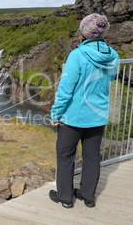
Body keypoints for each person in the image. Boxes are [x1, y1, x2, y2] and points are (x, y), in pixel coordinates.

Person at [49, 13, 119, 208]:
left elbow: (65, 89)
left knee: (65, 156)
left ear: (84, 32)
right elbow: (110, 79)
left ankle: (65, 197)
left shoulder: (77, 55)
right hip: (98, 116)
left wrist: (55, 113)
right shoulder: (113, 55)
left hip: (73, 117)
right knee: (92, 156)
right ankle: (88, 197)